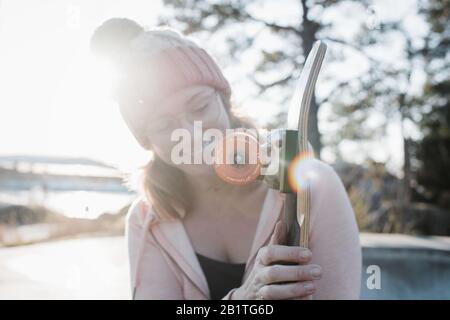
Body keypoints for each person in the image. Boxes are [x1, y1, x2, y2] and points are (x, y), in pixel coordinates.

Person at [90, 18, 362, 300]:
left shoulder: (311, 183)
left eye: (199, 106)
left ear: (224, 101)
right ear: (149, 143)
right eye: (163, 125)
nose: (191, 133)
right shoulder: (148, 221)